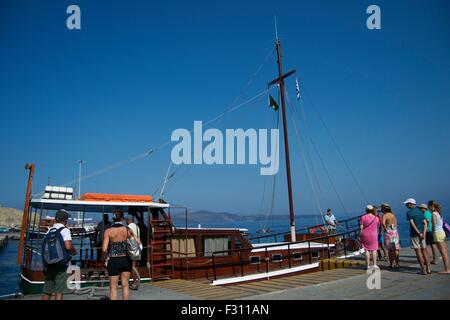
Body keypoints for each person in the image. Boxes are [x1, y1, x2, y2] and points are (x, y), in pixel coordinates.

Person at [42, 209, 77, 300]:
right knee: (59, 292)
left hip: (49, 264)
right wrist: (74, 251)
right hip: (61, 265)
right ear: (65, 220)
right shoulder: (64, 230)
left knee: (47, 292)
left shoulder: (49, 231)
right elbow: (68, 246)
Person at [102, 210, 132, 300]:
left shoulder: (108, 231)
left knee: (113, 287)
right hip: (126, 259)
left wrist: (106, 258)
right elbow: (132, 243)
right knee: (125, 285)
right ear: (122, 219)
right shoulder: (127, 230)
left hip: (114, 260)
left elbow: (104, 249)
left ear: (113, 218)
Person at [404, 198, 430, 275]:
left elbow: (412, 224)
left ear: (411, 204)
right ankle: (428, 269)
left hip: (415, 234)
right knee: (424, 251)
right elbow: (425, 223)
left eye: (407, 203)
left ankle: (423, 270)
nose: (406, 205)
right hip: (423, 234)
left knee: (418, 252)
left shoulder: (409, 213)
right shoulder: (420, 211)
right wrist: (424, 234)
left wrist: (419, 233)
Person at [429, 201, 450, 274]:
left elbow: (434, 225)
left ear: (432, 206)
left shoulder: (434, 214)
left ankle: (447, 269)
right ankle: (447, 268)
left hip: (437, 233)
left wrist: (432, 233)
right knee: (445, 252)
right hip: (442, 232)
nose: (428, 207)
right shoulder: (439, 213)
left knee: (443, 253)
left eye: (429, 206)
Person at [359, 205, 380, 269]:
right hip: (374, 235)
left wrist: (359, 236)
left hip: (365, 235)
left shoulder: (363, 217)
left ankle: (368, 266)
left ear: (366, 210)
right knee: (374, 250)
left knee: (366, 250)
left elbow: (361, 228)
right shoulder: (376, 218)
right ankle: (374, 265)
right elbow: (378, 226)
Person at [380, 203, 401, 268]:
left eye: (382, 208)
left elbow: (383, 223)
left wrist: (386, 229)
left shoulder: (385, 215)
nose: (381, 209)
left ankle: (391, 264)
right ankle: (397, 263)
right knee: (396, 249)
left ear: (384, 209)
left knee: (390, 249)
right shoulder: (393, 215)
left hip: (389, 232)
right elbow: (396, 224)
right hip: (395, 231)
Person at [126, 215, 141, 290]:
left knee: (132, 266)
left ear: (128, 220)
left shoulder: (128, 227)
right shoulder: (137, 227)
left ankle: (135, 281)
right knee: (135, 265)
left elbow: (128, 236)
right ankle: (135, 280)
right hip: (137, 247)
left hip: (131, 247)